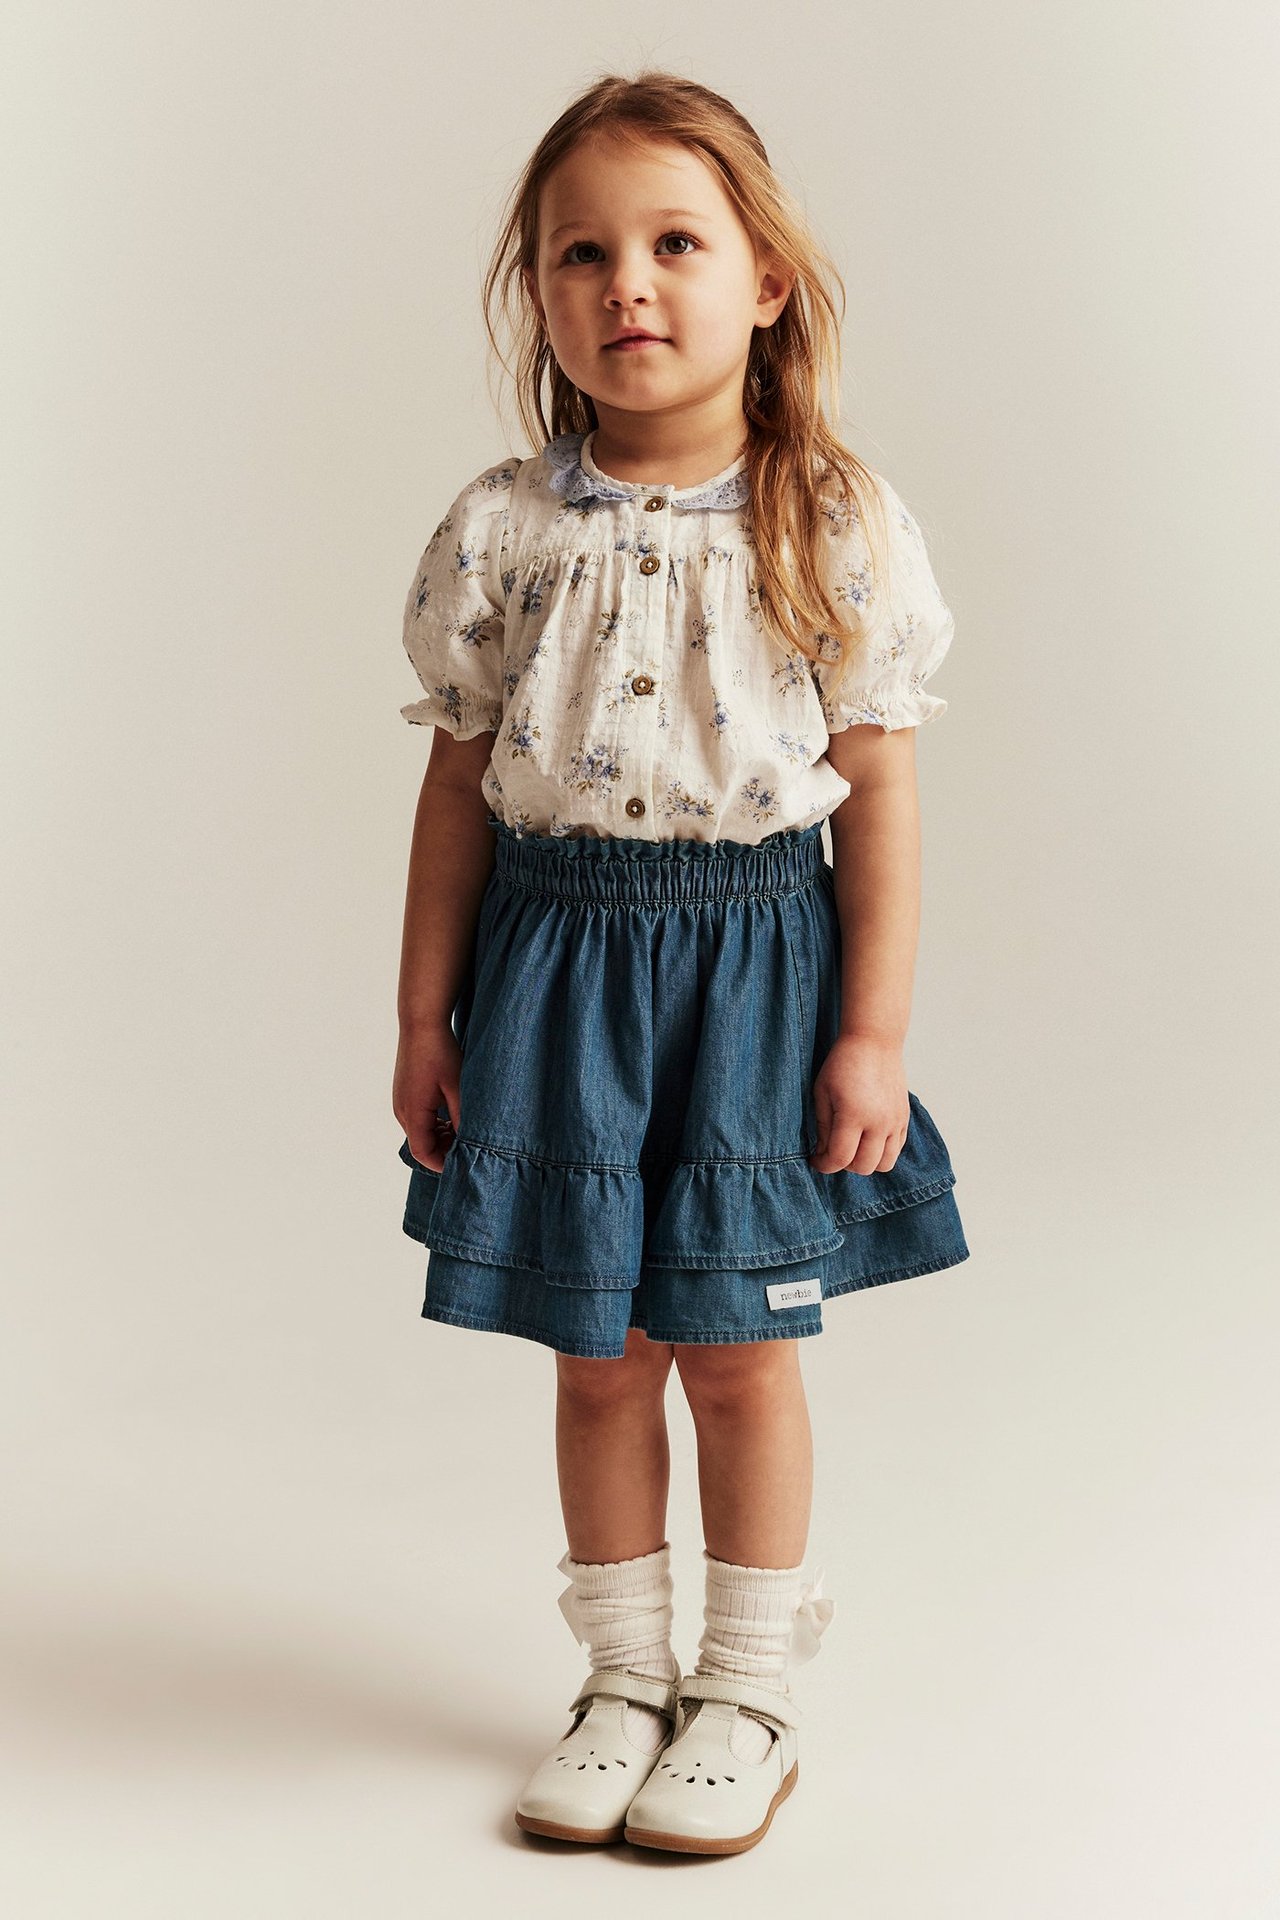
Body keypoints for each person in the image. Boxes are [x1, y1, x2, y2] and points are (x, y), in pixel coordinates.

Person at [391, 68, 970, 1857]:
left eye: (674, 243)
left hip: (752, 972)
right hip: (557, 969)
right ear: (541, 295)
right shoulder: (506, 528)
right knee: (598, 1350)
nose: (627, 284)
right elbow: (457, 784)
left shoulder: (830, 518)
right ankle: (623, 1674)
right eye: (583, 253)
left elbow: (875, 790)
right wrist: (425, 1011)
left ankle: (748, 1688)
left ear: (765, 282)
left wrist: (870, 1036)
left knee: (735, 1350)